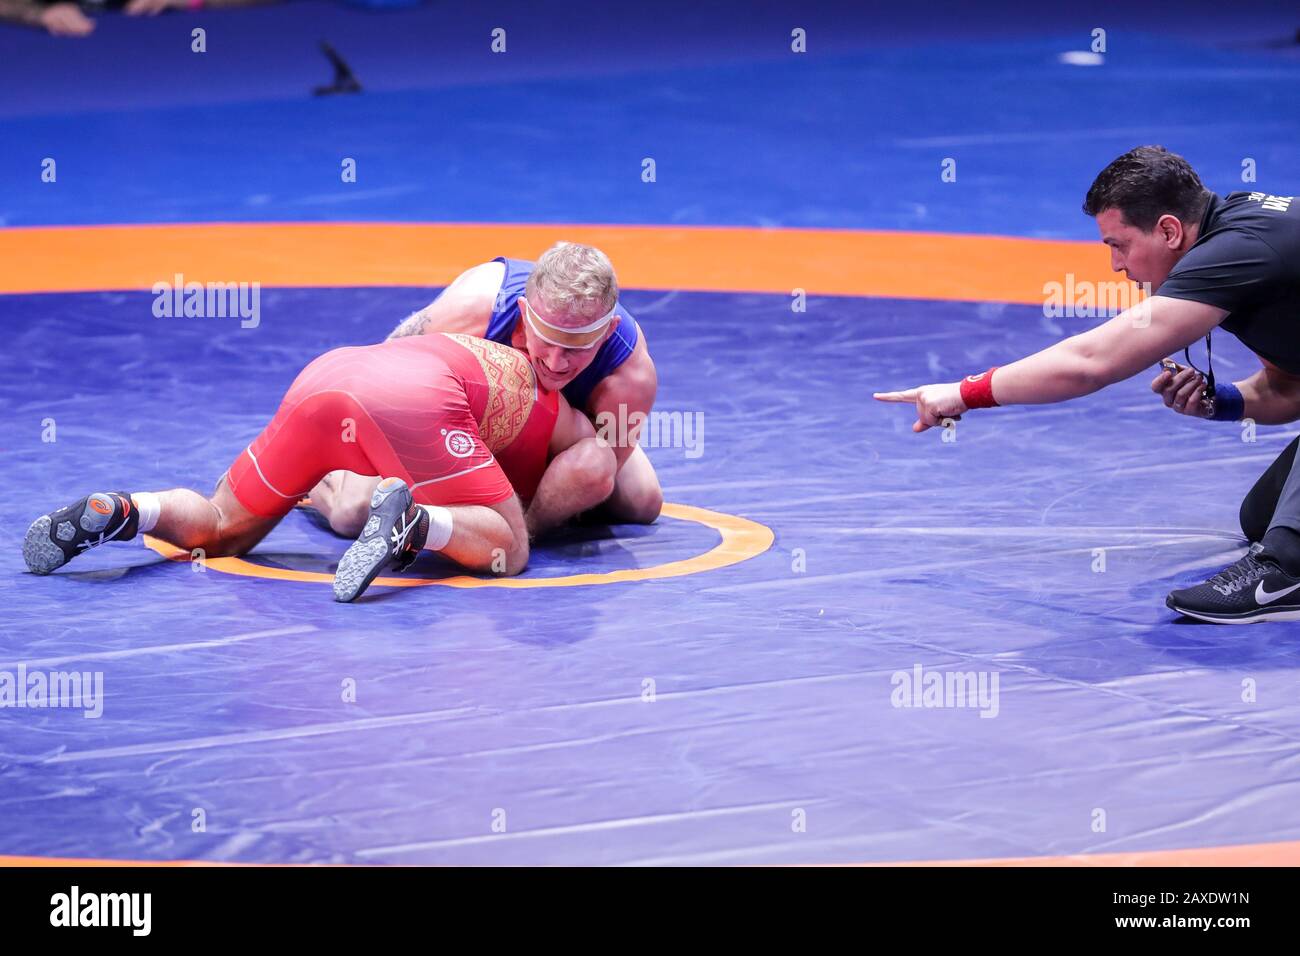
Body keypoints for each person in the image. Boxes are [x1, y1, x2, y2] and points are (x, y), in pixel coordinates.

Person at [875, 146, 1300, 624]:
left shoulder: (1238, 250)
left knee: (1291, 541)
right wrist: (1221, 402)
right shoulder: (1243, 238)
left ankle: (1285, 572)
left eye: (1118, 245)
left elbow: (1090, 363)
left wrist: (963, 393)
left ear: (1168, 230)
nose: (1116, 267)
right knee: (1263, 518)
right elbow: (1291, 390)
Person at [23, 333, 597, 602]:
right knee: (511, 549)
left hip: (329, 372)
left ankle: (127, 510)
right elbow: (585, 470)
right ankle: (415, 526)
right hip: (413, 401)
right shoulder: (552, 410)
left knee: (221, 527)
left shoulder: (485, 346)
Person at [310, 241, 662, 541]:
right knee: (352, 512)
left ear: (607, 330)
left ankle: (518, 535)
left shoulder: (630, 375)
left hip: (559, 434)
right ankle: (319, 464)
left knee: (640, 500)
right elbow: (380, 371)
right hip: (456, 418)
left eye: (575, 348)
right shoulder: (477, 306)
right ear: (524, 313)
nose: (556, 363)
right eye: (547, 342)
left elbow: (596, 471)